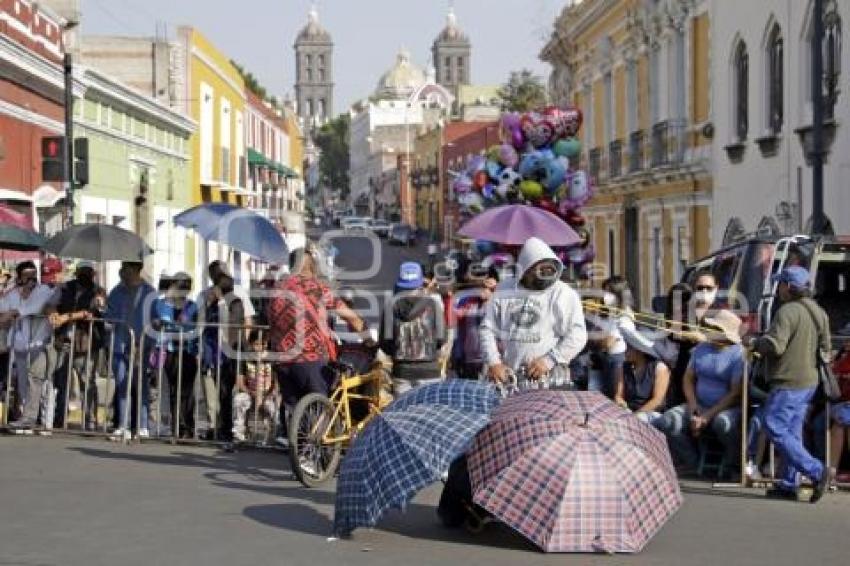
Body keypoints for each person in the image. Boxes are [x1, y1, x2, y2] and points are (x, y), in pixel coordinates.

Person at [745, 265, 833, 502]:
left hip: (789, 381)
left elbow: (776, 345)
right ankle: (788, 484)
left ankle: (816, 470)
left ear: (788, 287)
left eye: (780, 284)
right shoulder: (818, 312)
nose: (778, 289)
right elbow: (826, 349)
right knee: (792, 432)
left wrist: (755, 342)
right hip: (809, 382)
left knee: (774, 426)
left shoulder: (786, 312)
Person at [268, 245, 368, 424]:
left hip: (282, 360)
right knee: (320, 411)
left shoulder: (277, 290)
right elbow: (351, 318)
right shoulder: (317, 289)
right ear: (312, 266)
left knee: (296, 414)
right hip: (310, 360)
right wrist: (368, 339)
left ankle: (298, 446)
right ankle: (319, 446)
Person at [479, 237, 587, 391]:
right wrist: (494, 362)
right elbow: (487, 329)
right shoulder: (505, 289)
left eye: (549, 270)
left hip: (550, 379)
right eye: (540, 270)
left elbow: (578, 335)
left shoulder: (563, 294)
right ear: (526, 268)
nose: (546, 275)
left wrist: (549, 360)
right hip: (510, 380)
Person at [659, 310, 745, 476]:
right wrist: (692, 405)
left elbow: (735, 392)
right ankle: (691, 462)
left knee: (723, 423)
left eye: (715, 328)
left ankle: (732, 464)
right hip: (698, 403)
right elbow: (688, 378)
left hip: (724, 408)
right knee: (669, 419)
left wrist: (707, 416)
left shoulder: (738, 355)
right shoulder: (701, 348)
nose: (710, 330)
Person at [197, 261, 255, 441]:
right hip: (210, 350)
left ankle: (232, 429)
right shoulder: (205, 295)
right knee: (211, 391)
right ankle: (215, 426)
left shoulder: (237, 295)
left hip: (230, 351)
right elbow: (199, 323)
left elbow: (244, 322)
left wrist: (241, 348)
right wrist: (209, 303)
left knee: (229, 391)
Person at [3, 262, 60, 435]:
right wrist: (8, 313)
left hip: (41, 342)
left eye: (34, 274)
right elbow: (2, 311)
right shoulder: (12, 294)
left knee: (43, 383)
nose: (31, 278)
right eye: (27, 274)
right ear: (19, 277)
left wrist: (16, 311)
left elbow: (37, 308)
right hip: (20, 345)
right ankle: (26, 420)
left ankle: (45, 422)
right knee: (24, 384)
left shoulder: (43, 291)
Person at [104, 261, 157, 441]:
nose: (122, 272)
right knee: (121, 384)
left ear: (135, 270)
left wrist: (150, 344)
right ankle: (123, 425)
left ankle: (142, 425)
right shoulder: (116, 292)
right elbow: (108, 316)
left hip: (142, 346)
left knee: (140, 385)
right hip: (119, 345)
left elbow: (156, 320)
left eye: (125, 268)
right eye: (121, 268)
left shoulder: (149, 293)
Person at [51, 261, 105, 430]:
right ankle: (60, 418)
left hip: (86, 343)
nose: (85, 275)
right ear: (76, 272)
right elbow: (53, 305)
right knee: (62, 382)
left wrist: (67, 317)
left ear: (93, 274)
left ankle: (89, 419)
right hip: (64, 341)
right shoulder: (65, 288)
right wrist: (53, 314)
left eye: (88, 272)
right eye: (82, 271)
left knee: (86, 382)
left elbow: (93, 312)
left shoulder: (98, 291)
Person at [380, 262, 446, 394]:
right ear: (420, 282)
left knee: (404, 413)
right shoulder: (433, 304)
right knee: (428, 413)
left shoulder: (390, 306)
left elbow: (385, 343)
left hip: (402, 372)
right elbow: (441, 338)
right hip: (430, 371)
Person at [152, 272, 198, 438]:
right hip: (170, 351)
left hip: (188, 352)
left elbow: (195, 327)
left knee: (187, 390)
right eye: (180, 286)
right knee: (174, 390)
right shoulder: (160, 304)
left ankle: (188, 426)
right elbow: (155, 324)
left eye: (186, 287)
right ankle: (176, 426)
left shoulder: (193, 306)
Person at [451, 262, 498, 380]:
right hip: (468, 360)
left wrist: (493, 296)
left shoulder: (499, 302)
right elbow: (453, 321)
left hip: (493, 361)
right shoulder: (465, 300)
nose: (482, 288)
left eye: (486, 284)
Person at [614, 330, 670, 426]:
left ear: (639, 351)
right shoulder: (623, 367)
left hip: (651, 413)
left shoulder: (659, 368)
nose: (625, 352)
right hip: (630, 410)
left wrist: (635, 415)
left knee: (637, 420)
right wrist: (621, 404)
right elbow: (619, 395)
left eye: (629, 349)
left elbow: (657, 401)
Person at [231, 329, 278, 443]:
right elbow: (240, 381)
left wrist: (268, 395)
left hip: (267, 394)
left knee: (272, 407)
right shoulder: (245, 358)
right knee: (239, 400)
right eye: (257, 344)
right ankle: (239, 434)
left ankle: (273, 435)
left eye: (263, 344)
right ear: (251, 344)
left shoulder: (272, 358)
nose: (260, 347)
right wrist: (251, 393)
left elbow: (276, 383)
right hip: (250, 393)